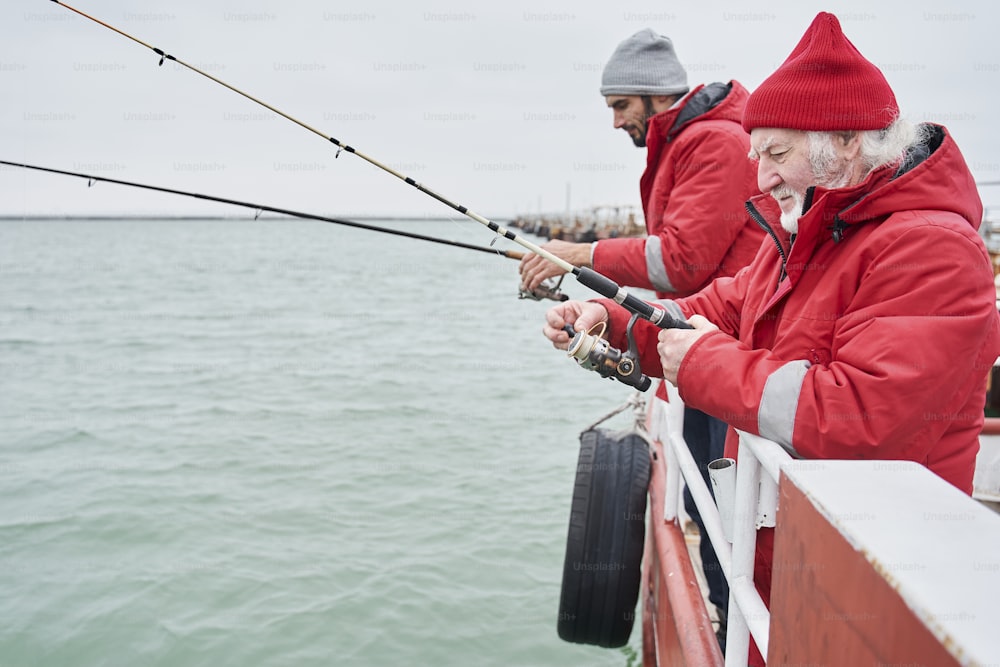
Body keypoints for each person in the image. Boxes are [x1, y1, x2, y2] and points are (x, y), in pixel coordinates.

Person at [541, 12, 1000, 666]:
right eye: (757, 155)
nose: (760, 178)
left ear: (844, 143)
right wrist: (610, 320)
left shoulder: (933, 250)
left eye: (777, 154)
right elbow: (724, 305)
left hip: (868, 584)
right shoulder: (810, 233)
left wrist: (702, 366)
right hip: (787, 558)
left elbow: (861, 416)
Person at [521, 28, 765, 641]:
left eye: (619, 106)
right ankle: (731, 618)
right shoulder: (689, 141)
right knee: (716, 506)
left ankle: (739, 631)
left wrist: (577, 255)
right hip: (705, 341)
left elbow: (680, 262)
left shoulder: (713, 142)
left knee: (723, 512)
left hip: (731, 351)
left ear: (656, 99)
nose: (613, 122)